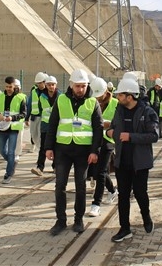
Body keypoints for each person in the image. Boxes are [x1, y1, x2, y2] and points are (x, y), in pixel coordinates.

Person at [45, 69, 103, 236]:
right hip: (62, 149)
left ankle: (78, 220)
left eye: (83, 86)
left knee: (80, 186)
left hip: (83, 152)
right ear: (71, 85)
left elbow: (98, 129)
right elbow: (53, 124)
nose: (80, 89)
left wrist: (95, 151)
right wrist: (48, 148)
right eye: (77, 86)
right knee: (60, 185)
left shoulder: (92, 102)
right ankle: (61, 221)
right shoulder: (61, 100)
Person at [105, 78, 159, 243]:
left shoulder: (147, 112)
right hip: (122, 161)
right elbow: (113, 127)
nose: (118, 97)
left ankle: (146, 217)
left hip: (140, 163)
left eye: (121, 94)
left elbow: (154, 136)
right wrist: (110, 132)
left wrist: (131, 137)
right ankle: (124, 228)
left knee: (141, 194)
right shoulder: (119, 110)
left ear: (129, 96)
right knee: (123, 196)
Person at [87, 77, 119, 218]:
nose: (98, 100)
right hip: (94, 140)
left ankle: (96, 205)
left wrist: (108, 124)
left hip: (108, 140)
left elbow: (119, 123)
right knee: (96, 171)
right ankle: (112, 190)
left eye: (100, 97)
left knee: (100, 171)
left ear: (106, 92)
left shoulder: (116, 104)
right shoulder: (90, 102)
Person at [0, 76, 27, 184]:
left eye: (10, 87)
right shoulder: (0, 96)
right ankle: (12, 163)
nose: (8, 89)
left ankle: (8, 174)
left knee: (11, 152)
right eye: (7, 86)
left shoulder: (21, 97)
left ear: (14, 86)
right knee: (2, 151)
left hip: (14, 127)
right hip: (2, 127)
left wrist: (12, 118)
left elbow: (23, 113)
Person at [31, 75, 60, 177]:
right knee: (43, 147)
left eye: (52, 85)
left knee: (57, 147)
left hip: (57, 125)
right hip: (45, 125)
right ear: (46, 85)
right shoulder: (42, 96)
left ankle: (56, 166)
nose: (51, 86)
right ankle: (40, 167)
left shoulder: (61, 97)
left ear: (56, 85)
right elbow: (40, 108)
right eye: (49, 85)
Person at [25, 72, 47, 154]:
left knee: (41, 136)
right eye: (38, 83)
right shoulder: (34, 91)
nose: (39, 85)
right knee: (34, 135)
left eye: (40, 83)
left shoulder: (48, 92)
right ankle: (38, 147)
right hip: (34, 117)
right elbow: (30, 104)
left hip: (43, 117)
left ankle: (41, 153)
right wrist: (27, 118)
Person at [13, 78, 28, 162]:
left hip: (18, 122)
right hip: (7, 121)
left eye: (17, 87)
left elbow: (25, 110)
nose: (15, 88)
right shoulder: (5, 96)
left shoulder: (23, 97)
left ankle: (17, 154)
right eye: (14, 86)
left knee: (19, 138)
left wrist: (26, 118)